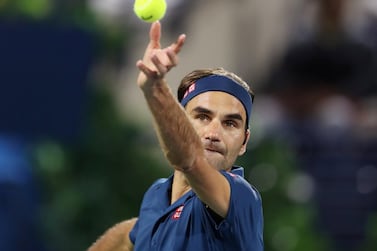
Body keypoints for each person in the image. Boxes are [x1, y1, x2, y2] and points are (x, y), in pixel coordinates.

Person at [88, 21, 263, 251]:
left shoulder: (241, 198)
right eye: (202, 117)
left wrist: (154, 88)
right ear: (180, 120)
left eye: (230, 123)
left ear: (244, 142)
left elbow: (190, 160)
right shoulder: (157, 195)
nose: (214, 133)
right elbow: (127, 236)